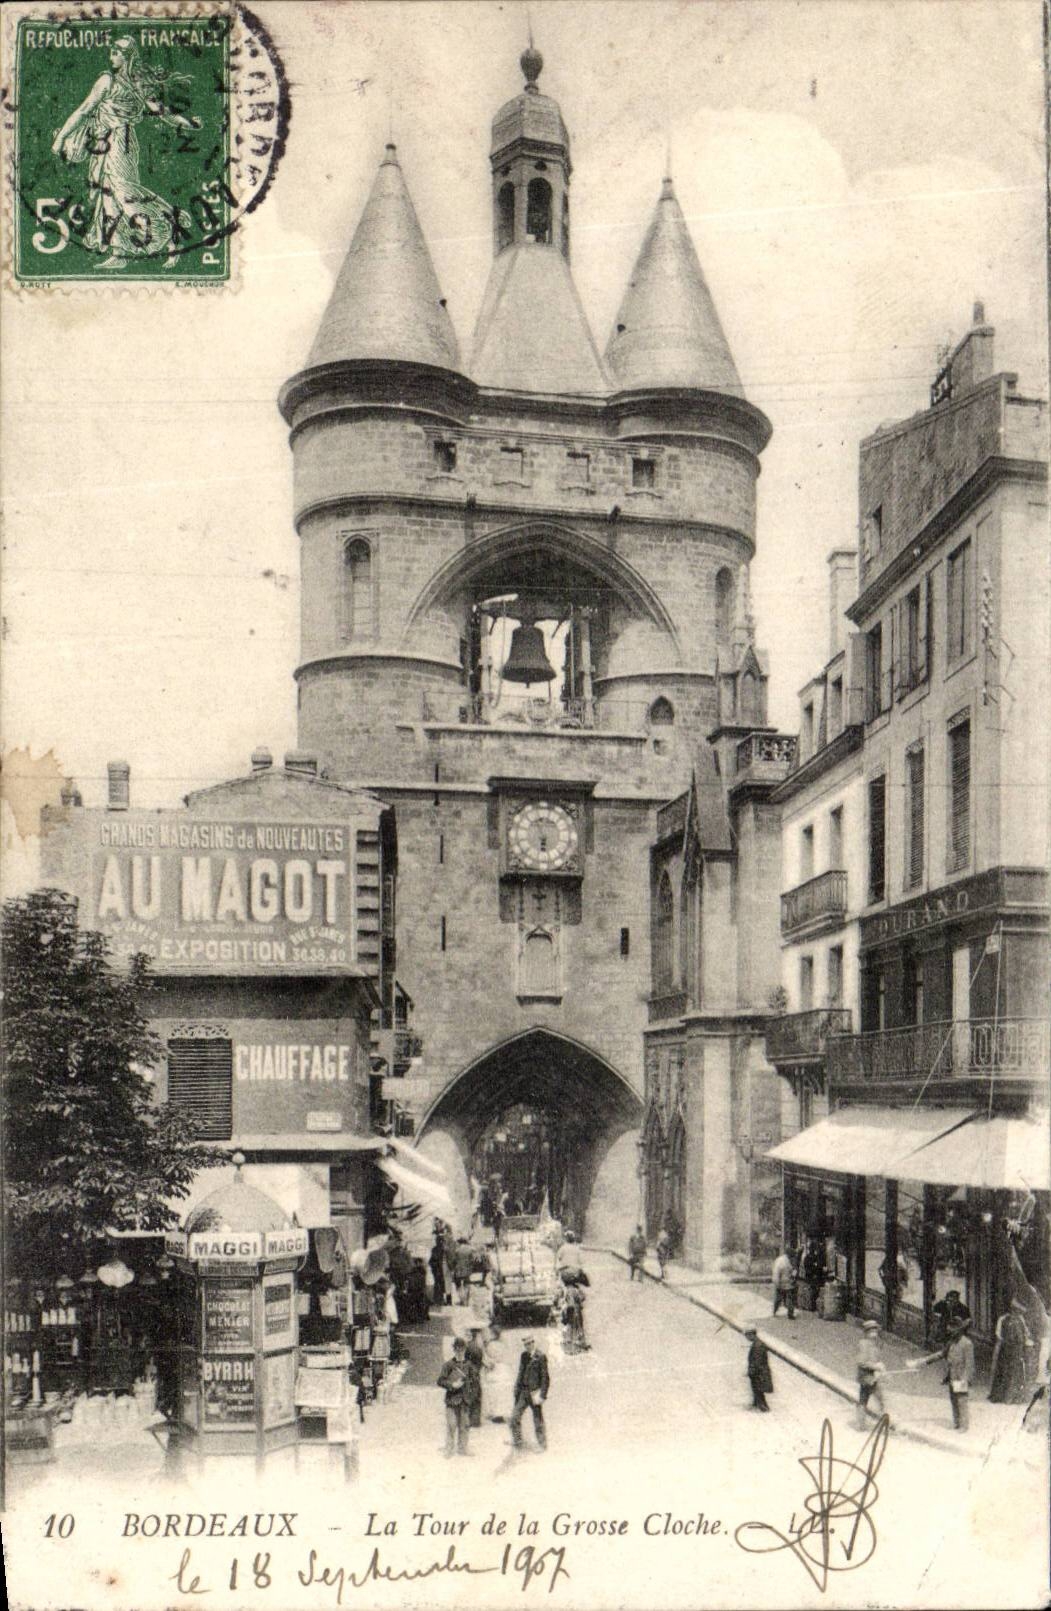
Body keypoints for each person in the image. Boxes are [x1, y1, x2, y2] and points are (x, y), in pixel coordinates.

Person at [50, 36, 200, 269]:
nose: (111, 56)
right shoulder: (117, 81)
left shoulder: (117, 82)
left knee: (125, 195)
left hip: (118, 142)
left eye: (116, 52)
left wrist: (60, 139)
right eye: (111, 52)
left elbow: (161, 112)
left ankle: (172, 228)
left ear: (128, 56)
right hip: (105, 144)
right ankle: (120, 253)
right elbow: (85, 111)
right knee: (109, 198)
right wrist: (189, 123)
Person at [436, 1337, 475, 1457]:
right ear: (454, 1349)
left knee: (464, 1426)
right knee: (451, 1425)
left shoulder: (469, 1365)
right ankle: (449, 1449)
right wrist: (452, 1385)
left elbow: (474, 1382)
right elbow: (440, 1381)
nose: (459, 1352)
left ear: (465, 1350)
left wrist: (470, 1395)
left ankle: (463, 1449)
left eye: (462, 1349)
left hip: (465, 1401)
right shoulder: (448, 1365)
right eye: (457, 1349)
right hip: (451, 1400)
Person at [510, 1334, 549, 1451]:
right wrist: (516, 1388)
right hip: (523, 1392)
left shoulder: (540, 1356)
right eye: (525, 1344)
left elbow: (545, 1378)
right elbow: (520, 1373)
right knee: (514, 1417)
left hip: (535, 1393)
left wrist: (542, 1395)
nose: (527, 1346)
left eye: (529, 1343)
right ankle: (518, 1442)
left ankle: (542, 1445)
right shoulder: (524, 1356)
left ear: (533, 1343)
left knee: (538, 1419)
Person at [989, 1299, 1032, 1404]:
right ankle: (1004, 1396)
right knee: (1006, 1371)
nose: (1016, 1312)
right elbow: (999, 1335)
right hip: (1007, 1349)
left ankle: (1012, 1397)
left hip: (1015, 1349)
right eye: (1015, 1310)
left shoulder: (1019, 1319)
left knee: (1015, 1372)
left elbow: (1025, 1333)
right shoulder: (1004, 1319)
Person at [856, 1319, 889, 1429]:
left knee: (866, 1400)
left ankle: (862, 1425)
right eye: (872, 1330)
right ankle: (881, 1424)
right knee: (875, 1400)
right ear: (867, 1332)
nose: (874, 1332)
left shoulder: (875, 1344)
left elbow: (876, 1361)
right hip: (866, 1377)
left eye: (875, 1330)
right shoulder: (864, 1344)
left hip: (871, 1377)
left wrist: (880, 1368)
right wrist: (876, 1367)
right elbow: (861, 1362)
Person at [464, 1323, 490, 1428]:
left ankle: (468, 1420)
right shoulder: (478, 1347)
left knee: (469, 1396)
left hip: (470, 1374)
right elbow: (481, 1360)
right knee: (477, 1396)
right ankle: (475, 1421)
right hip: (476, 1374)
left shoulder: (468, 1346)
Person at [744, 1327, 773, 1411]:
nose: (747, 1338)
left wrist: (751, 1371)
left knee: (758, 1388)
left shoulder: (757, 1346)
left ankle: (763, 1407)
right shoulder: (758, 1343)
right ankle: (756, 1403)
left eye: (747, 1336)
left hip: (759, 1372)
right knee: (757, 1388)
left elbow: (756, 1361)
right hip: (760, 1371)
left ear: (751, 1335)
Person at [771, 1247, 797, 1319]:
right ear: (789, 1255)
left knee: (780, 1298)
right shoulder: (783, 1262)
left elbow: (792, 1271)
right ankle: (789, 1314)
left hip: (784, 1282)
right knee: (786, 1298)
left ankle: (776, 1311)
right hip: (783, 1282)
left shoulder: (782, 1260)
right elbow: (777, 1273)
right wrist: (777, 1283)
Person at [803, 1240, 826, 1312]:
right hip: (813, 1276)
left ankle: (812, 1306)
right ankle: (812, 1307)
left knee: (813, 1291)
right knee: (813, 1291)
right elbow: (811, 1267)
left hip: (812, 1276)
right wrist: (816, 1269)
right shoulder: (810, 1257)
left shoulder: (808, 1257)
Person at [429, 1225, 448, 1307]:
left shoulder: (435, 1249)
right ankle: (440, 1300)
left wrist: (433, 1267)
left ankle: (437, 1299)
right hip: (440, 1269)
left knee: (437, 1284)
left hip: (437, 1270)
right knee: (441, 1285)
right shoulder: (443, 1250)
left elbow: (431, 1260)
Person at [452, 1238, 474, 1305]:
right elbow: (472, 1260)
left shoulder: (457, 1250)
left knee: (458, 1285)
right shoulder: (470, 1250)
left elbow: (454, 1261)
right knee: (466, 1285)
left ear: (460, 1243)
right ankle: (466, 1301)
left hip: (458, 1270)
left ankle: (462, 1300)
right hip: (467, 1270)